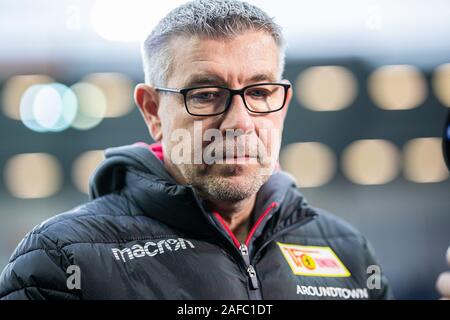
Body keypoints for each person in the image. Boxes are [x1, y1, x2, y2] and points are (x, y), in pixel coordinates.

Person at [0, 0, 393, 300]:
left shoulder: (347, 250)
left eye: (259, 92)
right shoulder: (62, 259)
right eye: (206, 95)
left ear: (283, 104)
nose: (239, 121)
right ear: (153, 110)